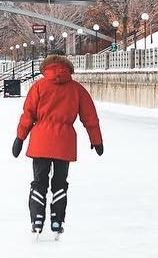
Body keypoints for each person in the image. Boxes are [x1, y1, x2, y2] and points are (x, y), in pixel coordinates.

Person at [12, 54, 103, 236]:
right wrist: (96, 140)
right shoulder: (76, 89)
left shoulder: (38, 86)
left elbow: (28, 115)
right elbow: (90, 117)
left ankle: (37, 218)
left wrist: (20, 138)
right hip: (64, 142)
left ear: (46, 68)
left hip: (41, 142)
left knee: (39, 182)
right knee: (60, 182)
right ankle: (56, 219)